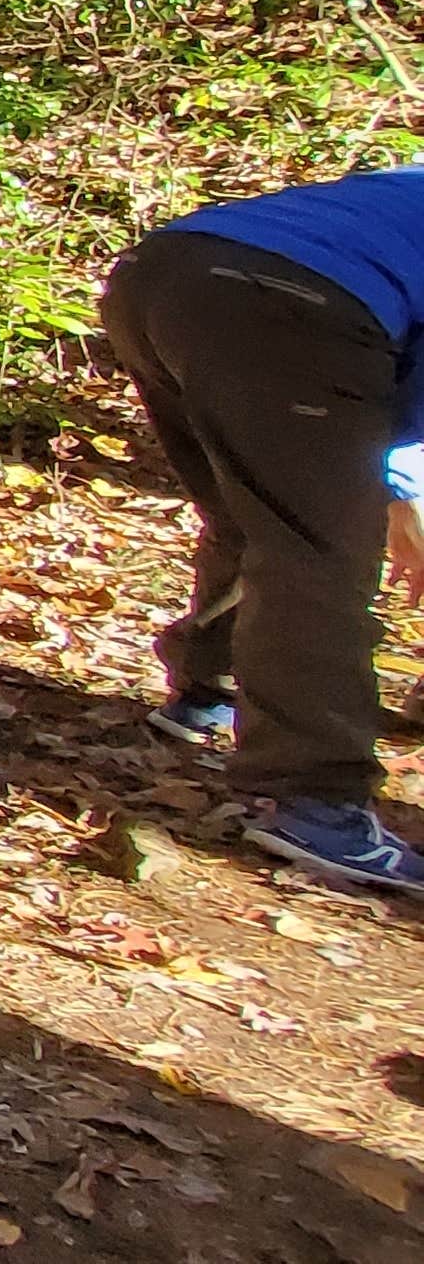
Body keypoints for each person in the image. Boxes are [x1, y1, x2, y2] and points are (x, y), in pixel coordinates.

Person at [100, 167, 424, 894]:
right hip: (292, 302)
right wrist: (401, 490)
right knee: (319, 551)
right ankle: (316, 802)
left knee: (252, 517)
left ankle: (206, 693)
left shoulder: (404, 186)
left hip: (162, 272)